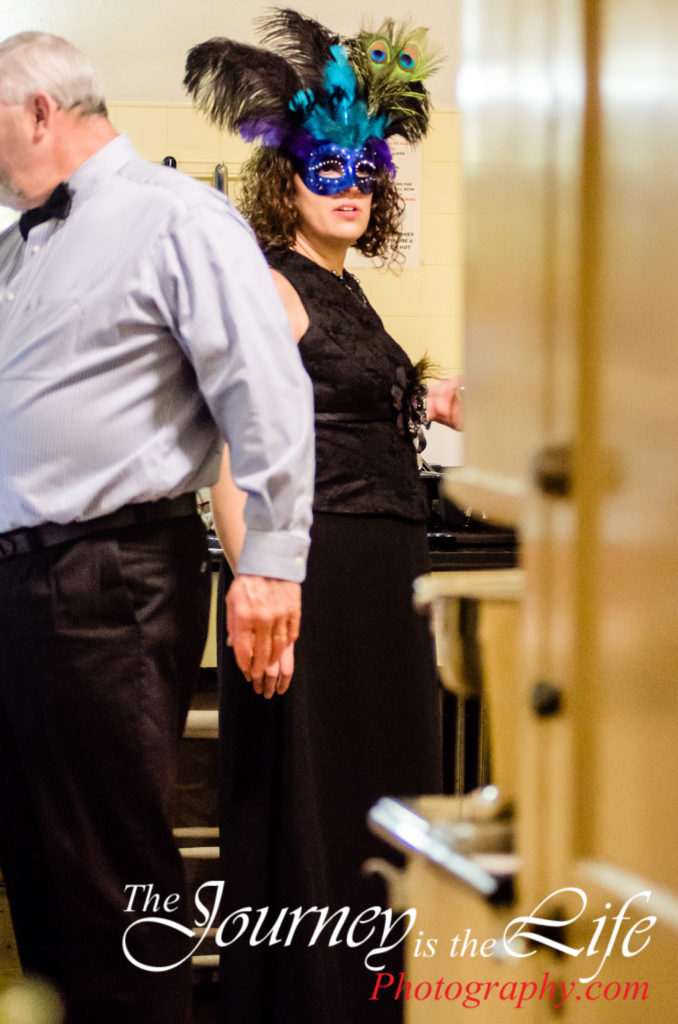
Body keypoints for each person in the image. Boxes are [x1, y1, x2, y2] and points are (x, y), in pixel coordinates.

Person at [0, 31, 314, 1024]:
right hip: (20, 583)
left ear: (39, 110)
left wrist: (272, 563)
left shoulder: (176, 216)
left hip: (110, 576)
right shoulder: (18, 245)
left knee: (113, 875)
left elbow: (265, 391)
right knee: (39, 866)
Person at [185, 12, 463, 1023]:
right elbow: (232, 451)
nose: (349, 187)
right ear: (288, 181)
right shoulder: (270, 284)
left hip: (389, 582)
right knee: (317, 799)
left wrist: (428, 396)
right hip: (321, 576)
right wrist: (260, 583)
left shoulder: (350, 293)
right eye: (326, 170)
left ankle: (375, 998)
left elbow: (342, 398)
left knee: (380, 801)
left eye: (364, 173)